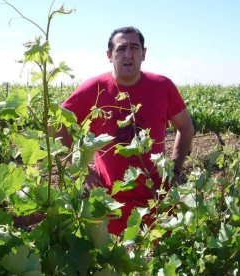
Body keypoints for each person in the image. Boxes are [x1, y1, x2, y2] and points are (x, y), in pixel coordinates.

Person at [57, 26, 194, 235]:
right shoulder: (94, 88)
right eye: (121, 49)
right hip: (108, 200)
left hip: (157, 196)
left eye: (134, 48)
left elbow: (185, 127)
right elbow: (58, 124)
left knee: (159, 260)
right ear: (109, 56)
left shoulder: (162, 86)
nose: (128, 55)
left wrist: (175, 170)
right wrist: (81, 167)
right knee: (111, 262)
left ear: (144, 54)